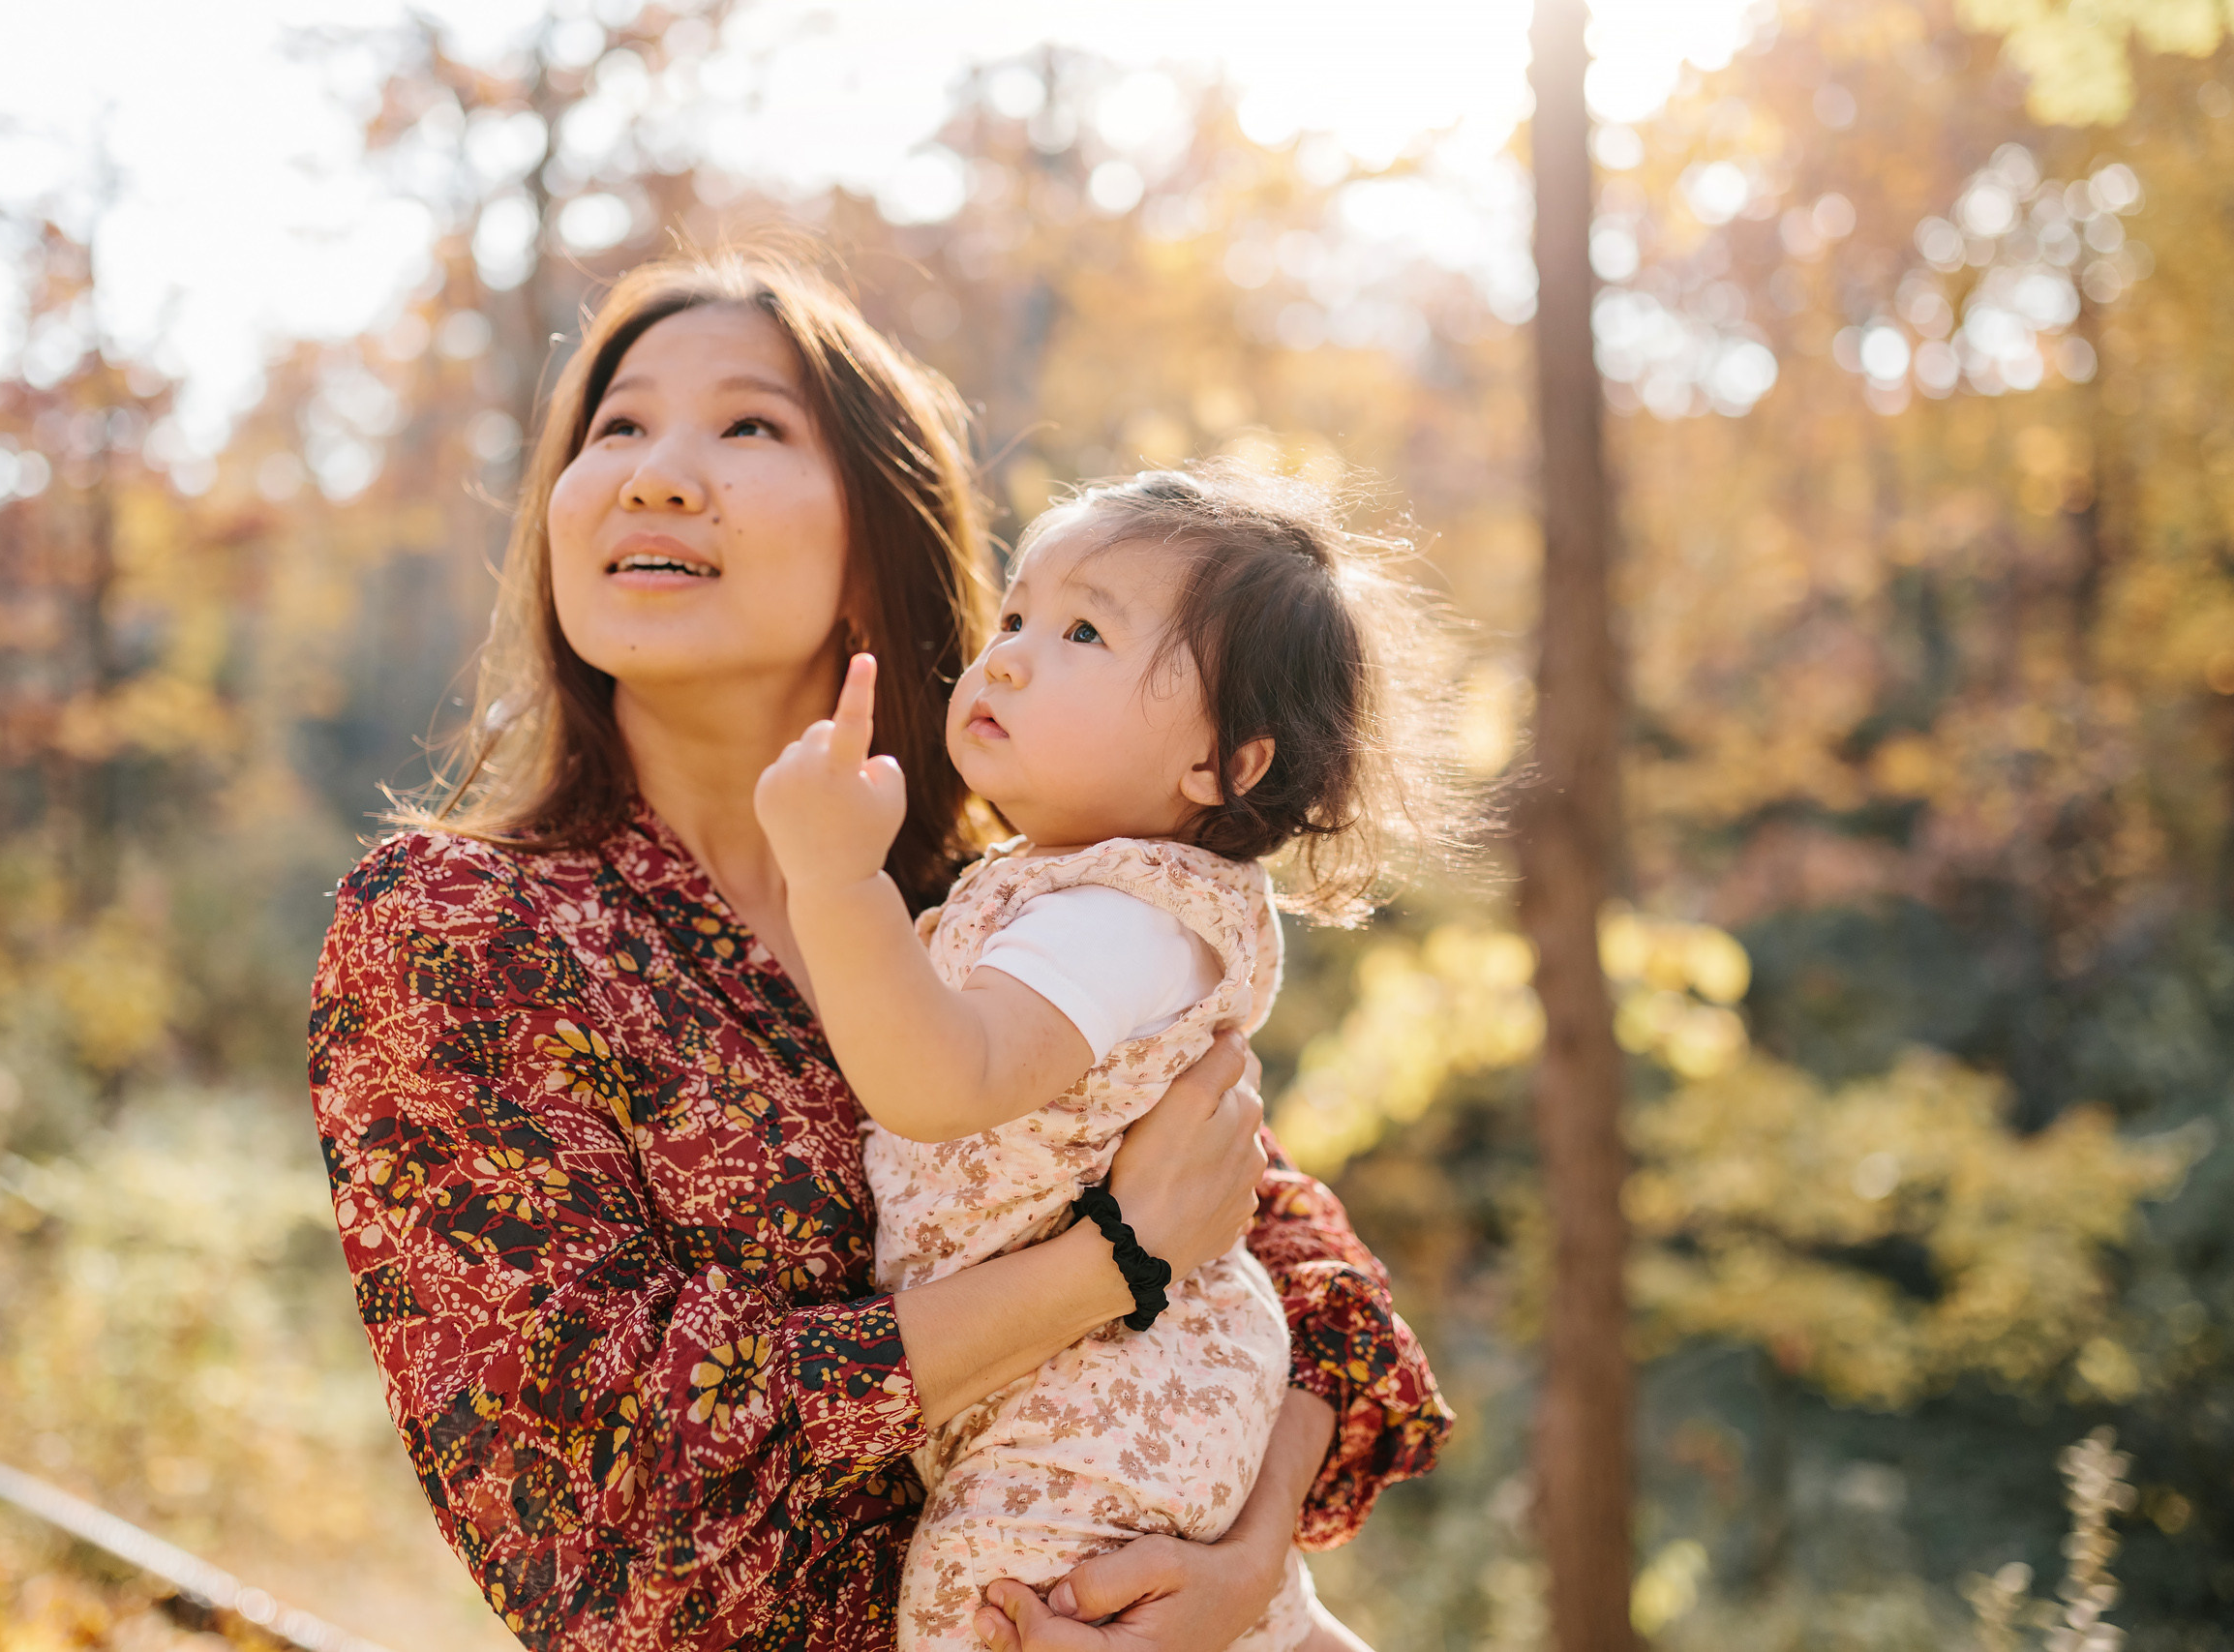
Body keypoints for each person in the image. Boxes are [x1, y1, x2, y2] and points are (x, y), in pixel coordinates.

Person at [307, 253, 1450, 1652]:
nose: (657, 473)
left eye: (748, 425)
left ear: (877, 542)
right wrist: (1110, 1261)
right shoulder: (460, 929)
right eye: (616, 425)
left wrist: (1245, 1561)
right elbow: (608, 1506)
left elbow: (1308, 1271)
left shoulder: (1017, 895)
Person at [752, 462, 1465, 1652]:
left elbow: (943, 1082)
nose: (1012, 656)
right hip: (1111, 1383)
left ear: (1224, 765)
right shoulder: (1070, 893)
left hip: (1098, 1398)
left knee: (975, 1611)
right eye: (1017, 615)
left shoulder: (1125, 916)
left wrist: (833, 881)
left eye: (1083, 629)